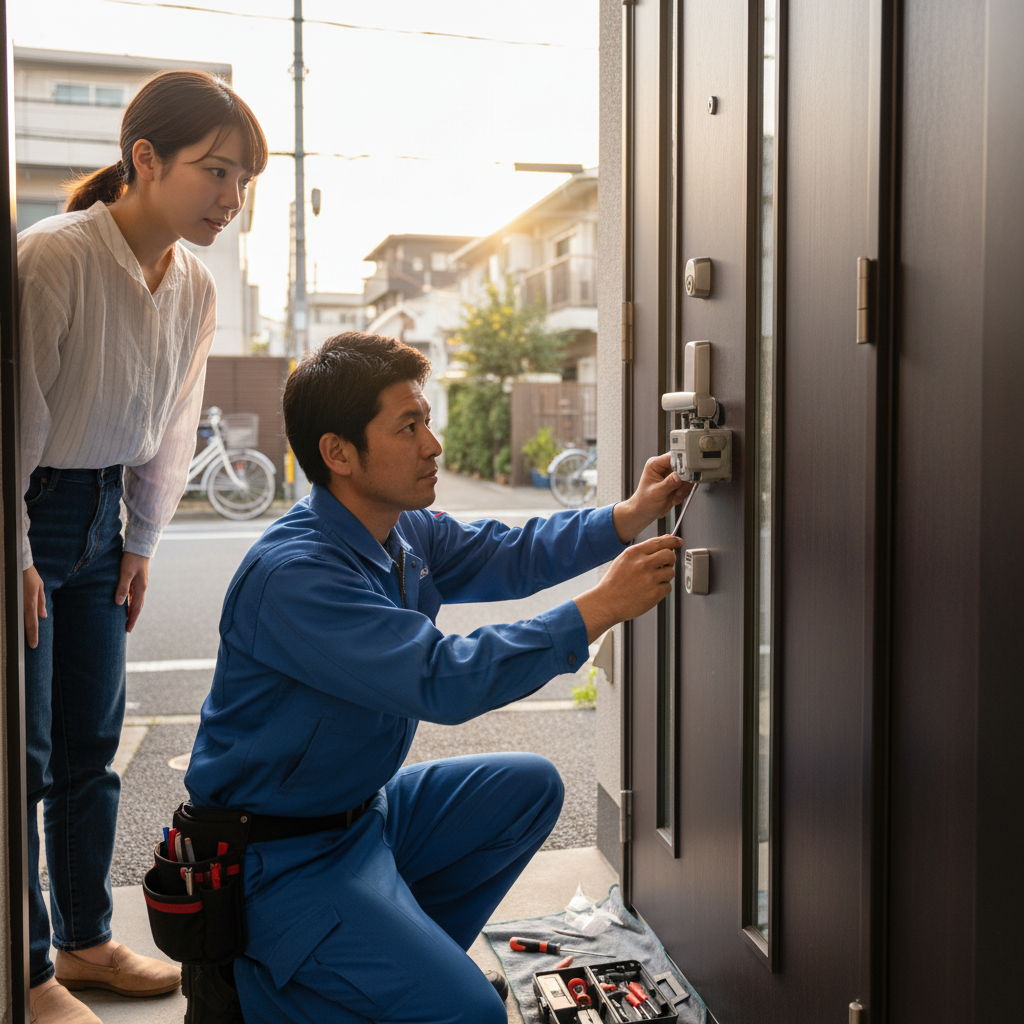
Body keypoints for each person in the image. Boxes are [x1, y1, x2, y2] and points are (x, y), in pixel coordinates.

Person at [183, 332, 688, 1024]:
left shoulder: (401, 532)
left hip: (363, 817)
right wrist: (601, 608)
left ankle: (405, 969)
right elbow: (443, 678)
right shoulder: (295, 576)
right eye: (409, 426)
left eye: (427, 421)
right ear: (339, 454)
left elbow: (511, 552)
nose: (434, 445)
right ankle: (268, 987)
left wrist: (624, 519)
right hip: (280, 861)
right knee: (474, 1017)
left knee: (527, 788)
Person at [18, 70, 267, 1024]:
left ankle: (83, 941)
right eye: (214, 171)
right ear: (145, 159)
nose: (230, 197)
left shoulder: (193, 282)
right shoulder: (54, 258)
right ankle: (28, 966)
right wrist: (21, 558)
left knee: (91, 746)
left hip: (102, 520)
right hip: (32, 512)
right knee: (27, 756)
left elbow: (172, 423)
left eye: (242, 178)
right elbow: (13, 425)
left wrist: (143, 538)